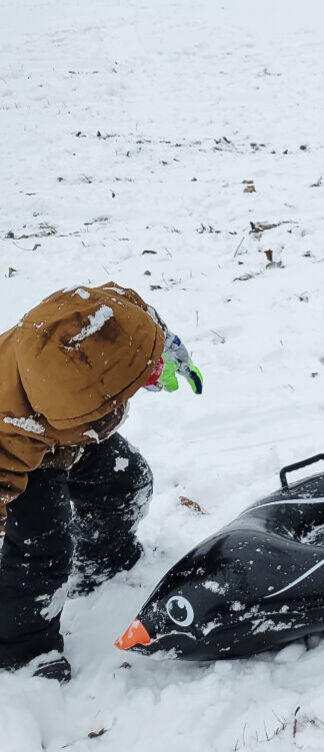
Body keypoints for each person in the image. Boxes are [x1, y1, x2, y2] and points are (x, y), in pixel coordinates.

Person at [0, 282, 201, 679]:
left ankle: (102, 559)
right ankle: (21, 651)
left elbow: (135, 319)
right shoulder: (9, 432)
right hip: (24, 453)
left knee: (126, 482)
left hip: (65, 434)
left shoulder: (102, 317)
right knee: (41, 550)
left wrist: (157, 354)